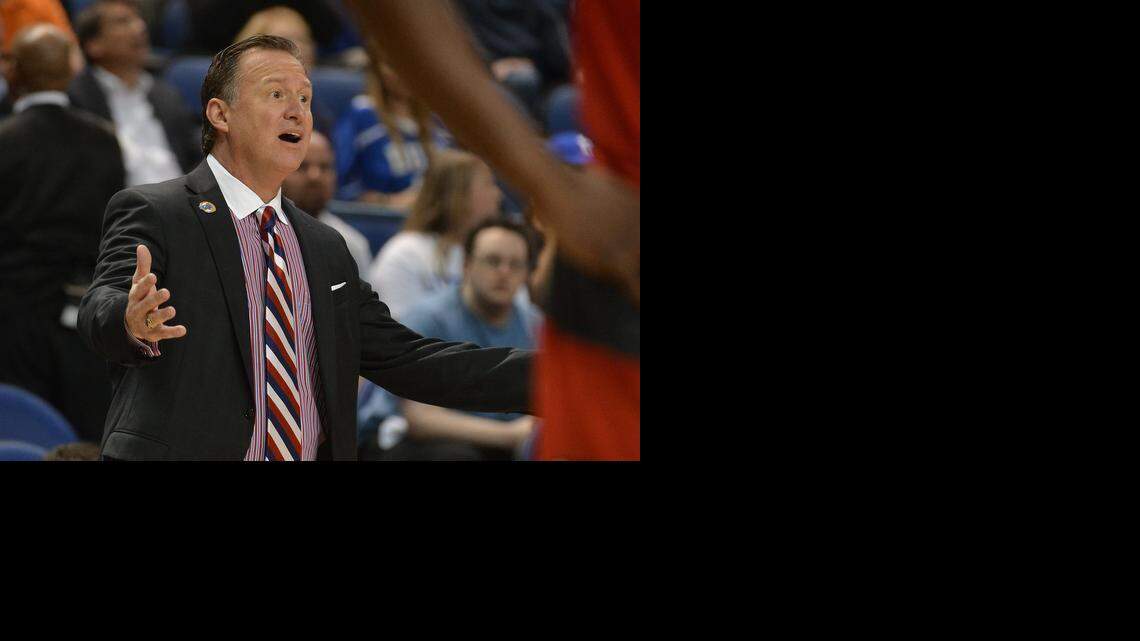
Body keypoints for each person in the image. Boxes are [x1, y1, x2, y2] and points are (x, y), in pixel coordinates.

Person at [77, 35, 531, 460]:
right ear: (221, 115)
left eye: (305, 98)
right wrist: (130, 320)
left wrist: (556, 380)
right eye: (276, 95)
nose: (297, 111)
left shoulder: (324, 246)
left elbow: (409, 358)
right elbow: (102, 304)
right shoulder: (157, 210)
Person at [344, 1, 639, 460]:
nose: (505, 272)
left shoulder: (519, 310)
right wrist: (548, 183)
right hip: (619, 304)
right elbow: (413, 382)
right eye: (495, 262)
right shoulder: (411, 267)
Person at [0, 24, 125, 442]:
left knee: (21, 434)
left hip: (13, 319)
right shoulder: (105, 141)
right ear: (70, 72)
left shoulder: (5, 140)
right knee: (86, 441)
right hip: (84, 316)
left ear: (13, 71)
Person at [364, 219, 542, 461]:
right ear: (466, 265)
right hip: (406, 442)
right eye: (493, 261)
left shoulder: (535, 324)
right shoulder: (428, 317)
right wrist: (511, 434)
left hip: (493, 444)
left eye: (516, 264)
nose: (504, 272)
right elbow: (419, 419)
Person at [68, 0, 202, 186]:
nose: (140, 27)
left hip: (181, 202)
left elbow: (194, 153)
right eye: (123, 22)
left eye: (138, 19)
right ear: (94, 45)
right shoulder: (77, 99)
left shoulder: (165, 92)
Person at [366, 148, 503, 322]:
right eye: (488, 184)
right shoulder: (405, 254)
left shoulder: (495, 256)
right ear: (459, 194)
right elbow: (397, 332)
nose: (497, 195)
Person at [332, 54, 450, 207]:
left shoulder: (439, 121)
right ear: (377, 69)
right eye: (393, 64)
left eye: (411, 64)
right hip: (381, 221)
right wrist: (388, 201)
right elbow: (341, 184)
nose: (403, 72)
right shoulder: (362, 115)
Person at [282, 129, 372, 275]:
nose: (315, 176)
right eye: (302, 166)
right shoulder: (257, 234)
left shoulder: (350, 245)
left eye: (324, 167)